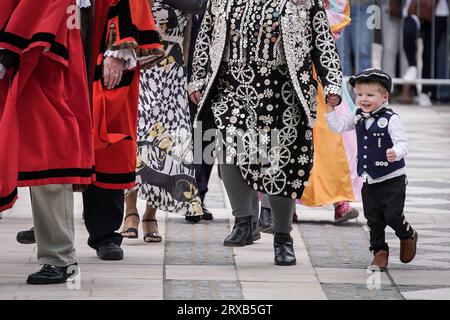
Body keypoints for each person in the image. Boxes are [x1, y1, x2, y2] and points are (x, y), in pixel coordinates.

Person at [189, 0, 343, 266]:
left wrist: (333, 83)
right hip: (232, 86)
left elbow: (323, 42)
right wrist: (198, 77)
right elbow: (206, 36)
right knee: (228, 146)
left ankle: (282, 236)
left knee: (279, 164)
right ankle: (244, 221)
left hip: (283, 91)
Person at [1, 0, 94, 283]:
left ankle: (60, 258)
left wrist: (9, 49)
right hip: (24, 48)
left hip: (42, 55)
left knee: (50, 156)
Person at [258, 0, 360, 232]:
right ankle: (284, 201)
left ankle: (339, 200)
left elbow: (337, 14)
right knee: (282, 135)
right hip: (281, 70)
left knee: (330, 140)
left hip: (319, 73)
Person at [80, 0, 164, 259]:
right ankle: (47, 228)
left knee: (108, 143)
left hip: (100, 51)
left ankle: (105, 233)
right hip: (62, 46)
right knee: (51, 141)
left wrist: (118, 50)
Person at [122, 0, 206, 242]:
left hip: (172, 74)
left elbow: (198, 6)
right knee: (135, 140)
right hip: (139, 69)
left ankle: (150, 214)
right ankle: (130, 210)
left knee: (166, 145)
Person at [325, 68, 418, 270]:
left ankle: (407, 234)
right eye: (359, 95)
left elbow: (402, 142)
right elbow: (339, 126)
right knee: (373, 218)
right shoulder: (357, 115)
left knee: (392, 215)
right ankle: (379, 252)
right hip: (370, 178)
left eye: (369, 95)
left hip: (392, 177)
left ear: (385, 97)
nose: (363, 99)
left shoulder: (391, 119)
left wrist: (396, 151)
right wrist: (331, 110)